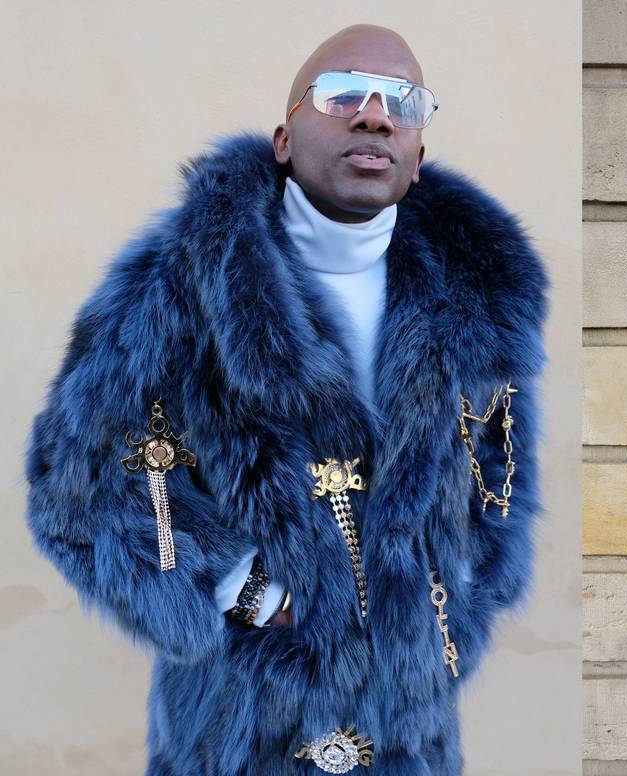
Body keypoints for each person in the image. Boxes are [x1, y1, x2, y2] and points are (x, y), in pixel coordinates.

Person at [25, 24, 547, 775]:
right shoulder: (180, 285)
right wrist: (242, 589)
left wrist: (463, 592)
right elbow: (74, 485)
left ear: (419, 153)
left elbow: (501, 471)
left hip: (413, 734)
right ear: (283, 136)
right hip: (240, 729)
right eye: (342, 95)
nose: (373, 115)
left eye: (402, 101)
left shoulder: (476, 301)